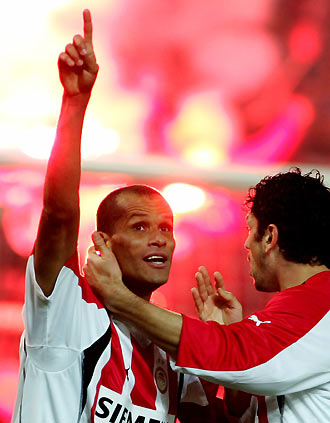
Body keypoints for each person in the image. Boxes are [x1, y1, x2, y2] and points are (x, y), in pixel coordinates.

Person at [12, 9, 223, 423]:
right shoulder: (67, 307)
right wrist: (75, 102)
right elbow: (58, 213)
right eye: (140, 227)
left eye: (166, 228)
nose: (160, 238)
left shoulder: (170, 344)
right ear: (103, 243)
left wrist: (216, 349)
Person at [83, 168, 330, 422]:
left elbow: (235, 354)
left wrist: (118, 297)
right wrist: (232, 333)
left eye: (249, 229)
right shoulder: (302, 313)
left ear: (269, 237)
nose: (246, 244)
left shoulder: (321, 303)